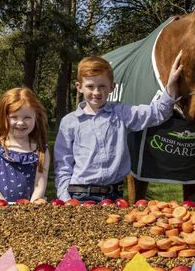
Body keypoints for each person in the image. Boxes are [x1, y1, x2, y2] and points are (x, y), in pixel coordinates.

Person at [54, 52, 182, 202]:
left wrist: (172, 83)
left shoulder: (121, 113)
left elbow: (157, 113)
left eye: (102, 86)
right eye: (90, 86)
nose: (96, 92)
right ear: (79, 87)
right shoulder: (69, 122)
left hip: (114, 196)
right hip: (80, 195)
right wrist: (65, 199)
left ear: (112, 87)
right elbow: (63, 164)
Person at [0, 87, 50, 203]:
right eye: (14, 117)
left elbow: (39, 186)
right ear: (4, 117)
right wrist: (4, 208)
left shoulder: (41, 150)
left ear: (35, 117)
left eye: (27, 117)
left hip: (30, 210)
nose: (20, 122)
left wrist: (31, 210)